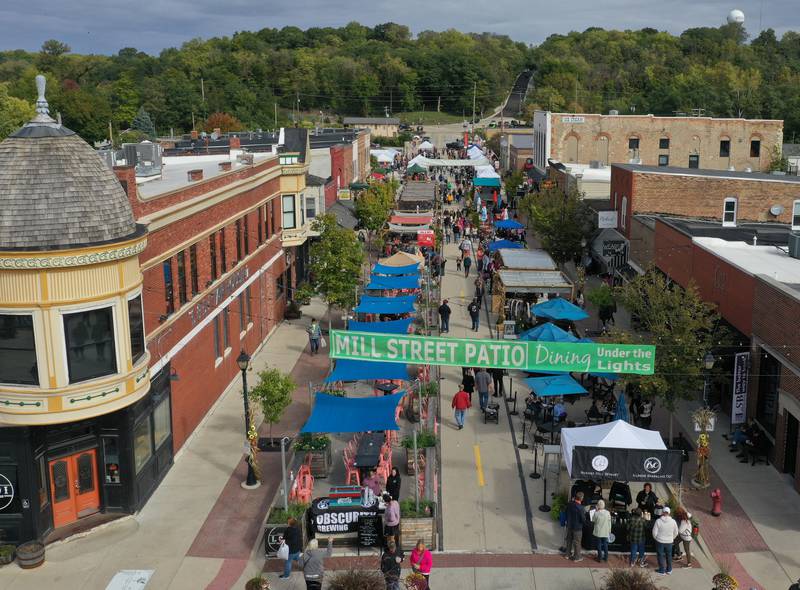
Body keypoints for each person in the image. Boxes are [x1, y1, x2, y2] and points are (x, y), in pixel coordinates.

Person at [652, 506, 679, 576]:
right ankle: (669, 569)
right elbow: (676, 532)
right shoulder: (673, 522)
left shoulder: (658, 521)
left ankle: (661, 570)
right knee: (669, 555)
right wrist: (672, 538)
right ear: (669, 513)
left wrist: (657, 538)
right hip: (669, 542)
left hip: (660, 541)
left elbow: (654, 532)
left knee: (660, 555)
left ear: (662, 512)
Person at [564, 491, 587, 562]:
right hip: (577, 528)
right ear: (581, 498)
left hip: (570, 525)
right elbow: (583, 519)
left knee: (569, 540)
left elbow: (566, 512)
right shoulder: (581, 508)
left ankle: (567, 554)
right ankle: (577, 557)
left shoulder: (570, 504)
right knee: (577, 542)